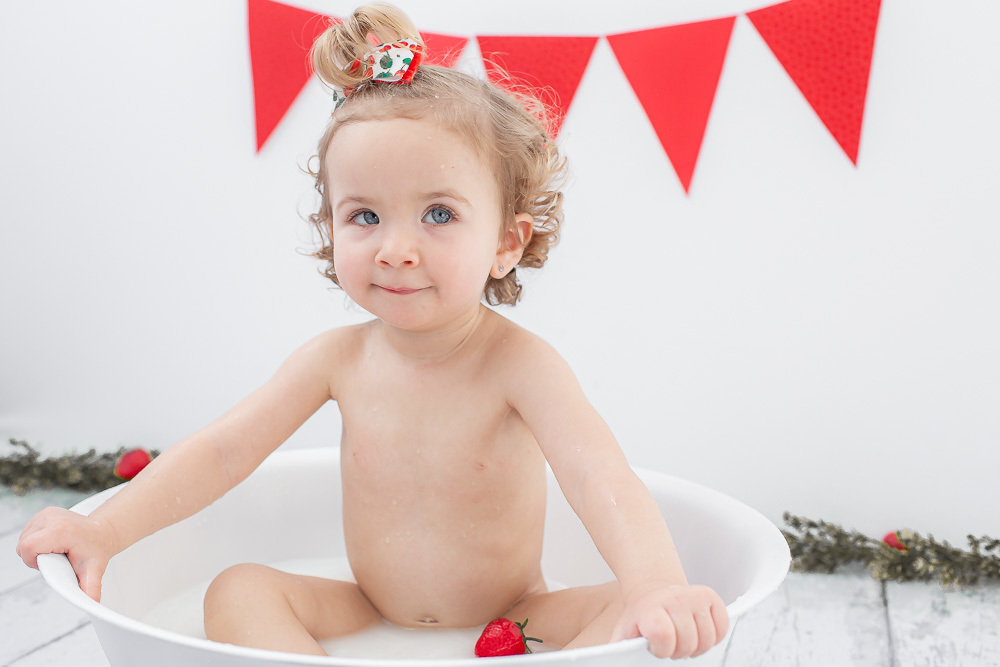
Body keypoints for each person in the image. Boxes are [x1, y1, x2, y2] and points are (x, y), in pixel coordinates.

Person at [16, 3, 728, 660]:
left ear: (508, 242)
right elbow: (223, 450)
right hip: (367, 605)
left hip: (516, 618)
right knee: (237, 589)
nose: (395, 248)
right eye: (364, 215)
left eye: (439, 214)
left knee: (632, 613)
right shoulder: (336, 360)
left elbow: (597, 474)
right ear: (330, 228)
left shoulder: (522, 366)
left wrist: (654, 583)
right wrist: (104, 529)